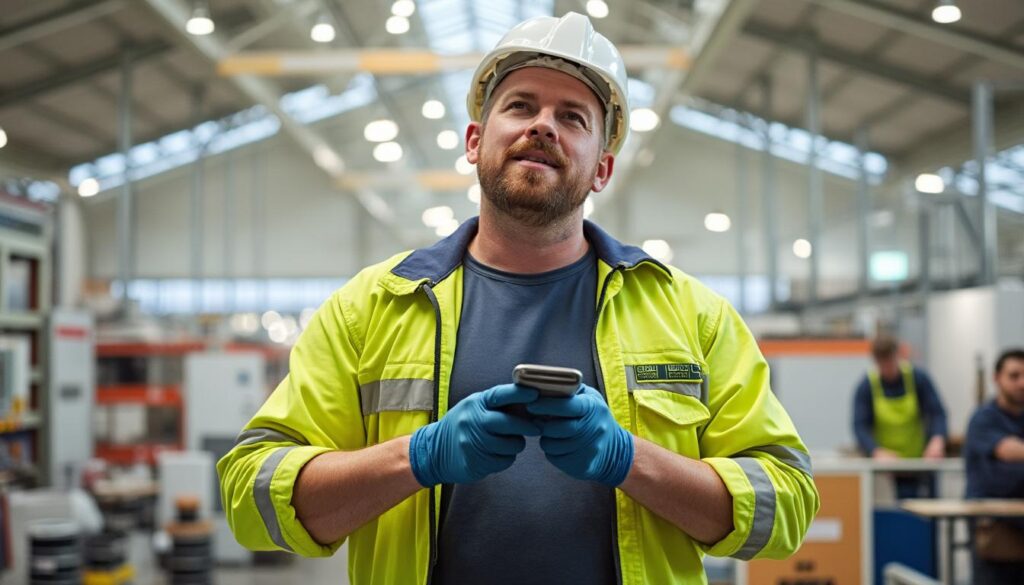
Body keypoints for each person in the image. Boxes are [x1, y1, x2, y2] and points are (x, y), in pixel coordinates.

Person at [218, 12, 819, 585]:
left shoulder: (693, 317)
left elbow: (786, 506)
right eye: (521, 106)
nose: (542, 126)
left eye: (574, 118)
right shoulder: (372, 308)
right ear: (475, 140)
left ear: (602, 169)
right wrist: (418, 458)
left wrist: (629, 461)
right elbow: (250, 494)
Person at [852, 335, 948, 498]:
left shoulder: (918, 378)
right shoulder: (867, 386)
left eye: (890, 361)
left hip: (921, 463)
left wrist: (937, 440)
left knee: (926, 516)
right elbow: (860, 426)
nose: (887, 368)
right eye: (882, 364)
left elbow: (938, 413)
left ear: (898, 355)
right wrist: (875, 451)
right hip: (887, 469)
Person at [964, 348, 1024, 584]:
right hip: (992, 527)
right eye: (1014, 375)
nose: (1022, 383)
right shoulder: (984, 419)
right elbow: (1006, 452)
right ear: (996, 378)